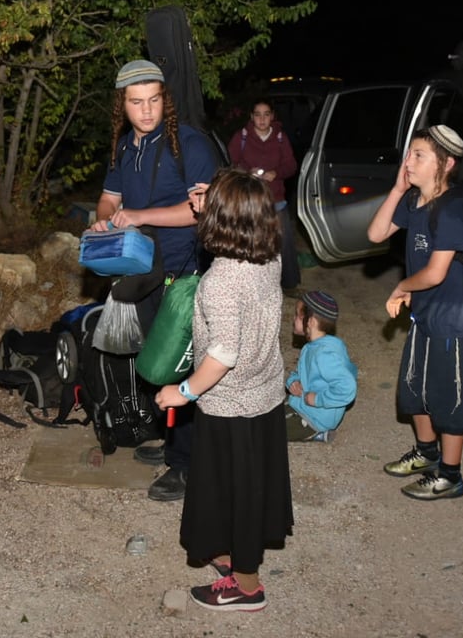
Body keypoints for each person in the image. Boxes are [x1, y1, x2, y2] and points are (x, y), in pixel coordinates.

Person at [155, 168, 293, 612]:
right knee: (244, 488)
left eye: (207, 206)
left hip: (230, 404)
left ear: (220, 222)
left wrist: (183, 391)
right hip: (265, 395)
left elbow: (222, 354)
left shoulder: (219, 282)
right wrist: (213, 201)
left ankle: (247, 587)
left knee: (239, 495)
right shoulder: (267, 256)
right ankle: (232, 552)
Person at [88, 59, 218, 501]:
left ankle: (187, 464)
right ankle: (171, 442)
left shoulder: (189, 145)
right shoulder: (126, 146)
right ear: (122, 105)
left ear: (166, 99)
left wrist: (140, 216)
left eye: (154, 100)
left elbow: (202, 209)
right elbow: (109, 199)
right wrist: (106, 222)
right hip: (144, 270)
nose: (146, 111)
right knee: (159, 363)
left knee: (183, 365)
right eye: (136, 102)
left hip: (184, 274)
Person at [366, 124, 463, 501]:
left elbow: (435, 273)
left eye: (419, 156)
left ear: (445, 164)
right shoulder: (414, 200)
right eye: (409, 153)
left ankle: (450, 476)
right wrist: (398, 188)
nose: (408, 161)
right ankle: (426, 453)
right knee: (413, 388)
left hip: (456, 316)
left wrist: (401, 287)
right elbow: (376, 234)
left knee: (448, 396)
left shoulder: (451, 209)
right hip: (427, 311)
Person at [227, 100, 300, 290]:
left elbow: (291, 165)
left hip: (275, 200)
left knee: (283, 244)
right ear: (251, 116)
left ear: (272, 116)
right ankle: (247, 284)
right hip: (248, 200)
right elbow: (230, 163)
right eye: (257, 114)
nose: (262, 119)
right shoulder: (241, 137)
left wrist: (276, 173)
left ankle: (288, 284)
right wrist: (247, 172)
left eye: (266, 114)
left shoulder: (281, 137)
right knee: (248, 241)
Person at [284, 290, 358, 443]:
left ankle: (318, 433)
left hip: (314, 417)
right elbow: (303, 373)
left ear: (311, 322)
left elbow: (347, 387)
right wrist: (293, 381)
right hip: (302, 403)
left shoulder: (324, 355)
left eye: (297, 315)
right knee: (266, 408)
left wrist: (317, 399)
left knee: (268, 430)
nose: (293, 319)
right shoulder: (316, 346)